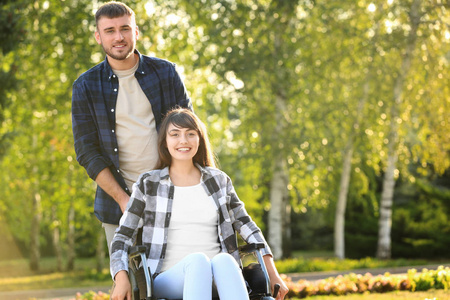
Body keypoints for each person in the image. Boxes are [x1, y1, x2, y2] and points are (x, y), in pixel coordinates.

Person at [110, 108, 289, 300]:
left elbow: (248, 227)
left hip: (219, 275)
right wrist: (121, 278)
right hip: (167, 278)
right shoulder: (149, 184)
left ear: (199, 139)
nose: (183, 141)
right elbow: (123, 237)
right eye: (175, 134)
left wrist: (272, 272)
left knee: (225, 261)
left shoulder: (219, 181)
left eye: (190, 134)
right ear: (165, 142)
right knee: (198, 261)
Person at [71, 1, 192, 251]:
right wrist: (124, 200)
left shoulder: (166, 73)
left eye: (125, 29)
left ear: (136, 32)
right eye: (110, 31)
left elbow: (189, 136)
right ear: (98, 36)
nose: (119, 37)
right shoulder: (85, 86)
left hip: (174, 198)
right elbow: (87, 151)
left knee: (185, 280)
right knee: (130, 287)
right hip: (118, 208)